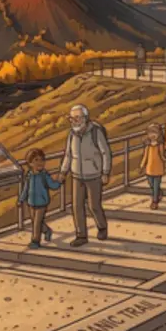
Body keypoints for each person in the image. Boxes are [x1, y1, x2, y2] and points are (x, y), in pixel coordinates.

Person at [60, 104, 112, 247]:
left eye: (77, 118)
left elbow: (105, 153)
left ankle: (102, 227)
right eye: (72, 118)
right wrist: (63, 171)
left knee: (94, 206)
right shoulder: (72, 134)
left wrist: (105, 172)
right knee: (76, 206)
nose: (74, 121)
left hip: (94, 175)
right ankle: (81, 235)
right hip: (77, 175)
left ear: (85, 118)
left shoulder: (96, 132)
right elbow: (68, 155)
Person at [18, 148, 61, 248]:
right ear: (30, 163)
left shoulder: (44, 175)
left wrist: (59, 182)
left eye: (42, 160)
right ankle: (47, 231)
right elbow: (26, 188)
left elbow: (52, 185)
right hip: (31, 202)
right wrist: (21, 199)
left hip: (42, 202)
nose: (40, 163)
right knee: (36, 221)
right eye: (36, 160)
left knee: (37, 223)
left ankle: (35, 241)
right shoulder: (29, 175)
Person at [139, 124, 166, 210]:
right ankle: (159, 192)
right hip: (149, 168)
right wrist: (142, 165)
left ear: (159, 134)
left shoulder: (160, 145)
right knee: (151, 184)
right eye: (150, 133)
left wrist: (165, 160)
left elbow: (162, 155)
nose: (152, 135)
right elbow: (145, 156)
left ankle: (154, 202)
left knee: (155, 185)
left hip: (158, 167)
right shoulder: (148, 145)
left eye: (155, 132)